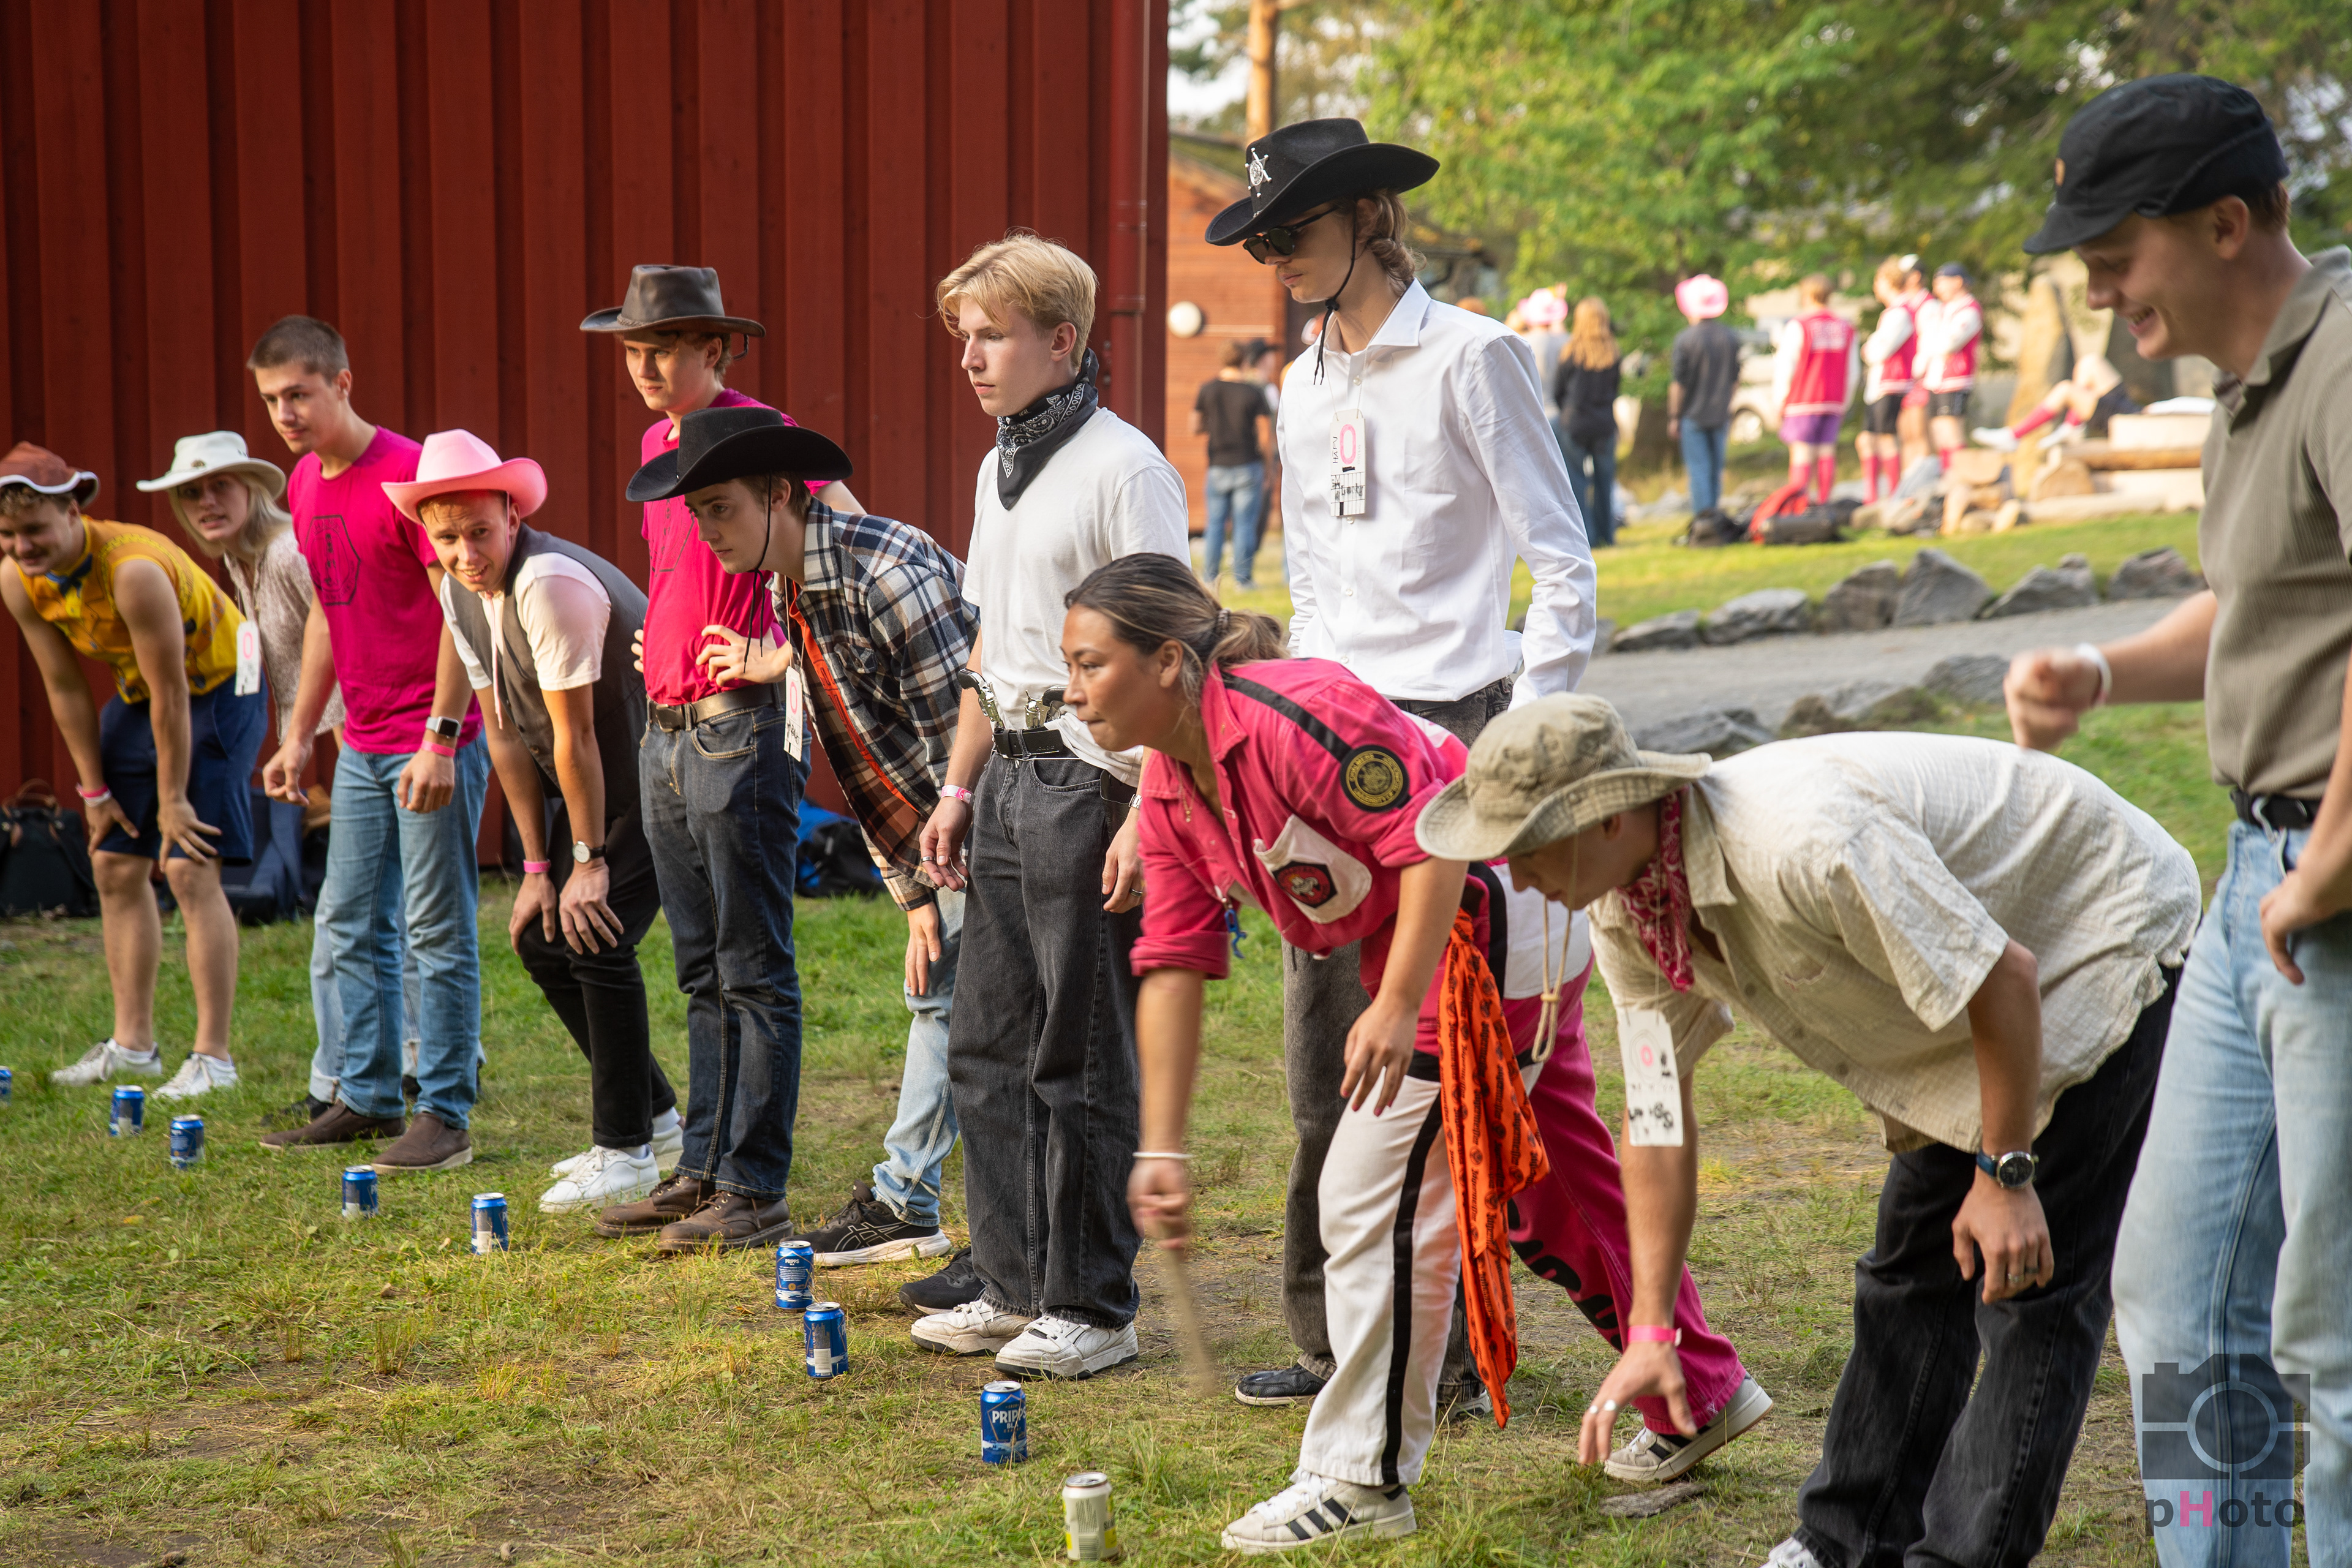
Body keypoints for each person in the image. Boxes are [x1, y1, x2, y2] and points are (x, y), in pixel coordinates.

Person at [1082, 561, 1764, 1552]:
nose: (1070, 690)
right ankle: (1700, 1387)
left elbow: (1438, 841)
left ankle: (1362, 1478)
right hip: (1434, 934)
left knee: (1374, 1195)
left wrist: (1399, 1004)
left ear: (1167, 663)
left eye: (1090, 664)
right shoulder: (1168, 786)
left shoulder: (1298, 716)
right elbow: (1176, 963)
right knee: (1549, 1194)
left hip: (1490, 912)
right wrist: (1162, 1149)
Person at [1438, 695, 2199, 1568]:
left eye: (1526, 846)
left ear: (1607, 819)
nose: (1513, 871)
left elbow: (2004, 978)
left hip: (2092, 929)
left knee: (2028, 1282)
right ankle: (1843, 1544)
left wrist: (2006, 1174)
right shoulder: (1630, 908)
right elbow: (1656, 1115)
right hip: (1970, 995)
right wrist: (1651, 1330)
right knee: (1909, 1271)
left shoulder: (1806, 846)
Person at [2003, 72, 2352, 1564]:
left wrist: (2328, 863)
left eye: (2115, 253)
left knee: (2331, 1336)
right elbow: (2263, 601)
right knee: (2175, 1295)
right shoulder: (2249, 383)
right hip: (2258, 885)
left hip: (2325, 894)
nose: (2097, 288)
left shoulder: (2345, 358)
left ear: (2225, 222)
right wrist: (2102, 667)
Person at [1205, 116, 1596, 1419]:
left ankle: (1454, 1342)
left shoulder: (1476, 357)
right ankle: (1334, 1340)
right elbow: (1314, 581)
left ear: (1369, 216)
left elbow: (1563, 562)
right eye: (1260, 241)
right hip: (1333, 746)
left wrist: (1524, 735)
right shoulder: (1300, 383)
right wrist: (1296, 725)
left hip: (1460, 736)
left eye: (1293, 232)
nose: (1276, 258)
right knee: (1327, 1050)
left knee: (1456, 1055)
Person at [910, 233, 1188, 1379]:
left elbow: (1174, 649)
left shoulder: (1127, 470)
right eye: (963, 337)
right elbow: (993, 646)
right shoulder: (999, 466)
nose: (970, 358)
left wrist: (1148, 808)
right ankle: (1012, 1280)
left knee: (1080, 1054)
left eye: (993, 336)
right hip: (1009, 778)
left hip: (1096, 781)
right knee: (987, 1046)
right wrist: (957, 785)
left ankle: (1092, 1304)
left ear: (1063, 341)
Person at [658, 404, 981, 1282]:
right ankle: (909, 1201)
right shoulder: (791, 584)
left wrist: (948, 881)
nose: (708, 533)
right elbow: (858, 751)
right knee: (943, 996)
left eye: (721, 508)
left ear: (778, 494)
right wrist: (915, 899)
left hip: (998, 811)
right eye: (697, 515)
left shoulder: (887, 575)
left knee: (986, 1020)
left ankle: (941, 1216)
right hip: (933, 826)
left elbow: (961, 749)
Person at [581, 265, 862, 1253]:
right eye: (633, 349)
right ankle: (701, 1170)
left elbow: (848, 541)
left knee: (753, 966)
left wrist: (779, 652)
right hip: (665, 727)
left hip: (738, 726)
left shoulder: (761, 436)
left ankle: (754, 1186)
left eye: (665, 348)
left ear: (717, 349)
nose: (645, 366)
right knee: (699, 967)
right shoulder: (659, 446)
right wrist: (655, 642)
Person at [399, 429, 682, 1215]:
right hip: (595, 784)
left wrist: (586, 862)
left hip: (662, 771)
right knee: (540, 936)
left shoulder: (549, 583)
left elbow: (576, 736)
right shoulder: (460, 592)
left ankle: (624, 1150)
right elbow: (501, 731)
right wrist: (534, 870)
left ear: (513, 518)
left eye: (479, 532)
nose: (465, 554)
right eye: (446, 538)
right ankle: (659, 1120)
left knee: (596, 933)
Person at [252, 317, 489, 1174]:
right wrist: (297, 733)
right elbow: (328, 609)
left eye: (299, 394)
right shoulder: (304, 482)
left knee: (435, 929)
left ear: (343, 383)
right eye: (271, 400)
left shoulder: (410, 476)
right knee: (349, 920)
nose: (285, 413)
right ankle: (365, 1094)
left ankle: (445, 1114)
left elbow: (461, 609)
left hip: (433, 739)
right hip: (360, 743)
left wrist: (441, 738)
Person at [136, 431, 408, 1121]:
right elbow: (272, 659)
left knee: (364, 915)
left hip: (377, 737)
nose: (206, 503)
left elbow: (348, 634)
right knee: (377, 910)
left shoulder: (289, 552)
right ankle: (400, 1058)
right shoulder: (242, 560)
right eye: (191, 493)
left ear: (254, 490)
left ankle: (381, 1070)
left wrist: (335, 747)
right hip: (341, 738)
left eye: (220, 486)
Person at [1, 444, 265, 1100]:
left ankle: (213, 1058)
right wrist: (93, 793)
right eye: (7, 534)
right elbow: (65, 687)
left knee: (187, 864)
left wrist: (172, 800)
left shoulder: (133, 569)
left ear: (73, 511)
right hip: (144, 693)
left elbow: (174, 693)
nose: (22, 546)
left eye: (34, 530)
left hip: (222, 687)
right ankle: (134, 1047)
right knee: (114, 864)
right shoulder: (18, 578)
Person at [1763, 274, 1858, 514]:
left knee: (1801, 452)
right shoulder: (1845, 327)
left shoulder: (1800, 325)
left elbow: (1787, 366)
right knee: (1826, 449)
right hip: (1833, 399)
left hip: (1803, 399)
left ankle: (1800, 505)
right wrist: (1845, 399)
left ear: (1805, 295)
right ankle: (1825, 501)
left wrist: (1780, 399)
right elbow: (1853, 369)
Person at [1191, 340, 1273, 587]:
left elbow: (1195, 426)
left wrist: (1214, 425)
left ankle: (1210, 578)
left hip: (1218, 464)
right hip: (1248, 464)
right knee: (1244, 525)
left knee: (1215, 524)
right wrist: (1268, 467)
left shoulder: (1208, 389)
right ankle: (1242, 580)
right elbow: (1265, 433)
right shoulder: (1253, 391)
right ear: (1245, 360)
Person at [1551, 298, 1623, 546]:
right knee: (1604, 481)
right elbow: (1615, 390)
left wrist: (1568, 412)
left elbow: (1558, 391)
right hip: (1604, 424)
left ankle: (1585, 536)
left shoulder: (1570, 352)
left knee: (1577, 481)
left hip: (1575, 423)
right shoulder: (1613, 352)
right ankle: (1607, 534)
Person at [1668, 274, 1739, 518]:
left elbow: (1679, 384)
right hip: (1720, 413)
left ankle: (1704, 520)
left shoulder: (1685, 339)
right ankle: (1715, 517)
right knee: (1715, 470)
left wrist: (1674, 416)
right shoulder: (1730, 337)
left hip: (1692, 414)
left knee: (1698, 470)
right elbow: (1734, 380)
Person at [1856, 256, 1924, 502]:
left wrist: (1870, 349)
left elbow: (1879, 350)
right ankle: (1873, 494)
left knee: (1886, 438)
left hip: (1891, 383)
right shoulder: (1893, 312)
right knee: (1867, 439)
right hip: (1881, 384)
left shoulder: (1899, 313)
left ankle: (1893, 493)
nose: (1876, 287)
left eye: (1878, 281)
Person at [1972, 353, 2139, 451]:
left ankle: (2014, 436)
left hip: (2127, 420)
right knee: (2090, 362)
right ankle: (2072, 426)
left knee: (2065, 389)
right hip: (2129, 411)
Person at [1915, 262, 1983, 470]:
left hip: (1955, 379)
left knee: (1951, 430)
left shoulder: (1969, 310)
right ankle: (1947, 475)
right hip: (1936, 378)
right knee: (1938, 432)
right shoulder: (1943, 310)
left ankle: (1959, 475)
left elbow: (1948, 344)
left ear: (1958, 282)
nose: (1938, 289)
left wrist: (1932, 342)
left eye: (1942, 282)